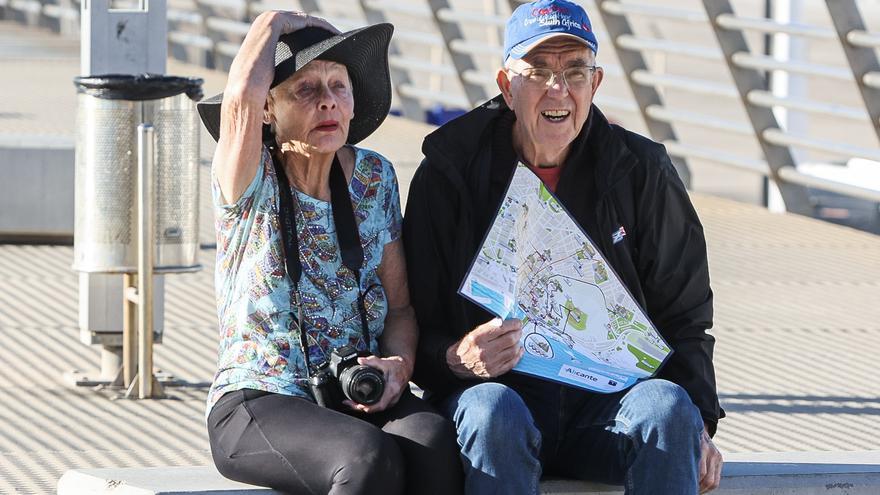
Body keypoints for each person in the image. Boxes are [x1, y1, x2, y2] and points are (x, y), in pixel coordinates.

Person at [403, 0, 724, 493]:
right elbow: (411, 320)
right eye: (539, 71)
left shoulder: (640, 170)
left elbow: (685, 314)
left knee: (668, 408)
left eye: (575, 71)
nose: (559, 89)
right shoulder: (450, 173)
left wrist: (699, 422)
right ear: (507, 86)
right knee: (491, 412)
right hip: (500, 402)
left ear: (595, 85)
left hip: (608, 407)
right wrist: (454, 357)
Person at [197, 11, 462, 494]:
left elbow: (400, 307)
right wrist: (271, 23)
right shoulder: (249, 178)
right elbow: (238, 103)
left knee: (434, 441)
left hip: (350, 391)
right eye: (306, 90)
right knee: (365, 456)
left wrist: (398, 368)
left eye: (339, 87)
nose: (328, 102)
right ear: (268, 110)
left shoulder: (374, 179)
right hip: (258, 397)